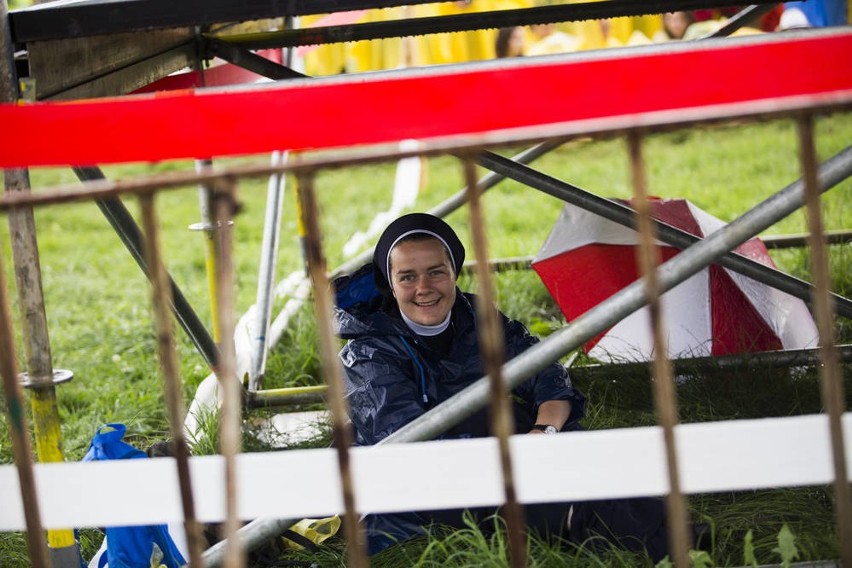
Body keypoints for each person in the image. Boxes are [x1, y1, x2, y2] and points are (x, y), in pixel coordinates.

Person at [334, 213, 669, 560]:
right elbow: (413, 449)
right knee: (500, 432)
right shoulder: (366, 354)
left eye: (436, 271)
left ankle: (636, 529)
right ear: (390, 284)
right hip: (419, 480)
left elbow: (545, 372)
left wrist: (544, 433)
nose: (424, 287)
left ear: (454, 273)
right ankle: (639, 532)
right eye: (408, 277)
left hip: (491, 447)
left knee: (563, 438)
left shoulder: (476, 316)